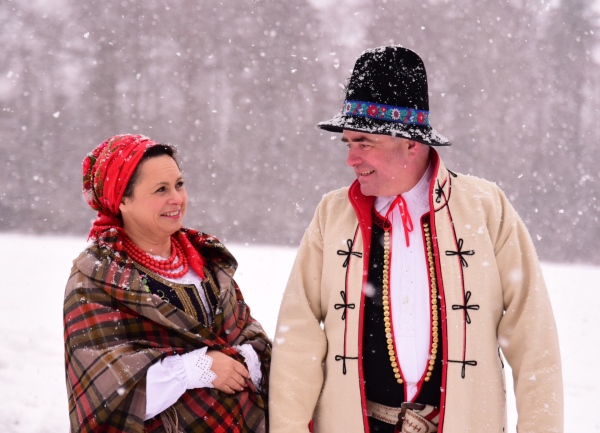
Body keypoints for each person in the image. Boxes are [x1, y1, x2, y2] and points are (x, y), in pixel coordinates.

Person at [268, 46, 563, 432]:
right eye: (348, 143)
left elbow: (533, 339)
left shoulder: (485, 209)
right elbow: (298, 339)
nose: (351, 159)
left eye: (364, 143)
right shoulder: (332, 215)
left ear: (411, 143)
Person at [64, 134, 271, 433]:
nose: (177, 198)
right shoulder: (96, 276)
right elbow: (101, 395)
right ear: (122, 199)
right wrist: (192, 370)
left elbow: (249, 334)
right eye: (161, 189)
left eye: (179, 184)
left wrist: (245, 357)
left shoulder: (206, 259)